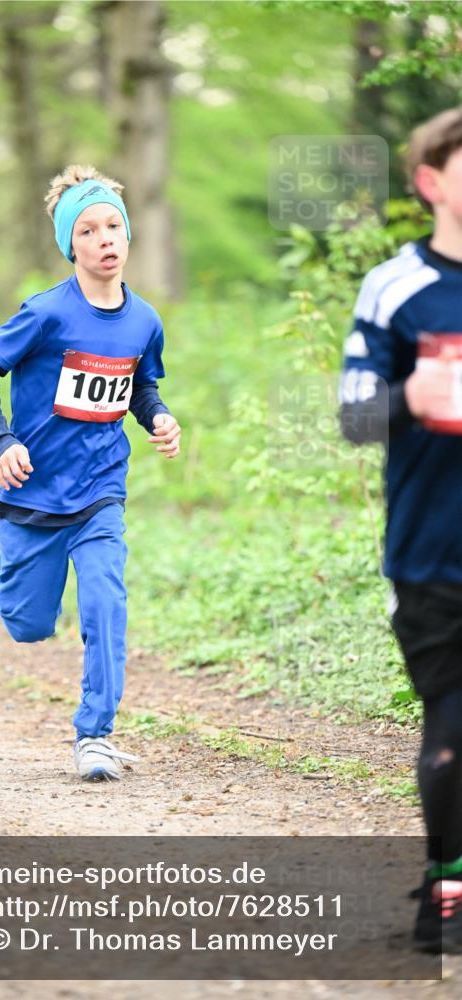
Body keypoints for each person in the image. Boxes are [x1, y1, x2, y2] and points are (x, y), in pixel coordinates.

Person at [0, 164, 180, 781]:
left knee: (106, 603)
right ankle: (6, 553)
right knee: (28, 625)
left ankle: (96, 735)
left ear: (128, 233)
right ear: (70, 245)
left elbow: (141, 385)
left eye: (113, 226)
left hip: (100, 490)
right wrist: (1, 442)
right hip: (33, 490)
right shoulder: (45, 315)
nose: (104, 238)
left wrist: (159, 417)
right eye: (88, 230)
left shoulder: (144, 321)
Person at [339, 107, 462, 954]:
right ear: (429, 183)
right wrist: (407, 399)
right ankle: (444, 894)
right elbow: (353, 416)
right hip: (432, 553)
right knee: (453, 725)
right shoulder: (396, 287)